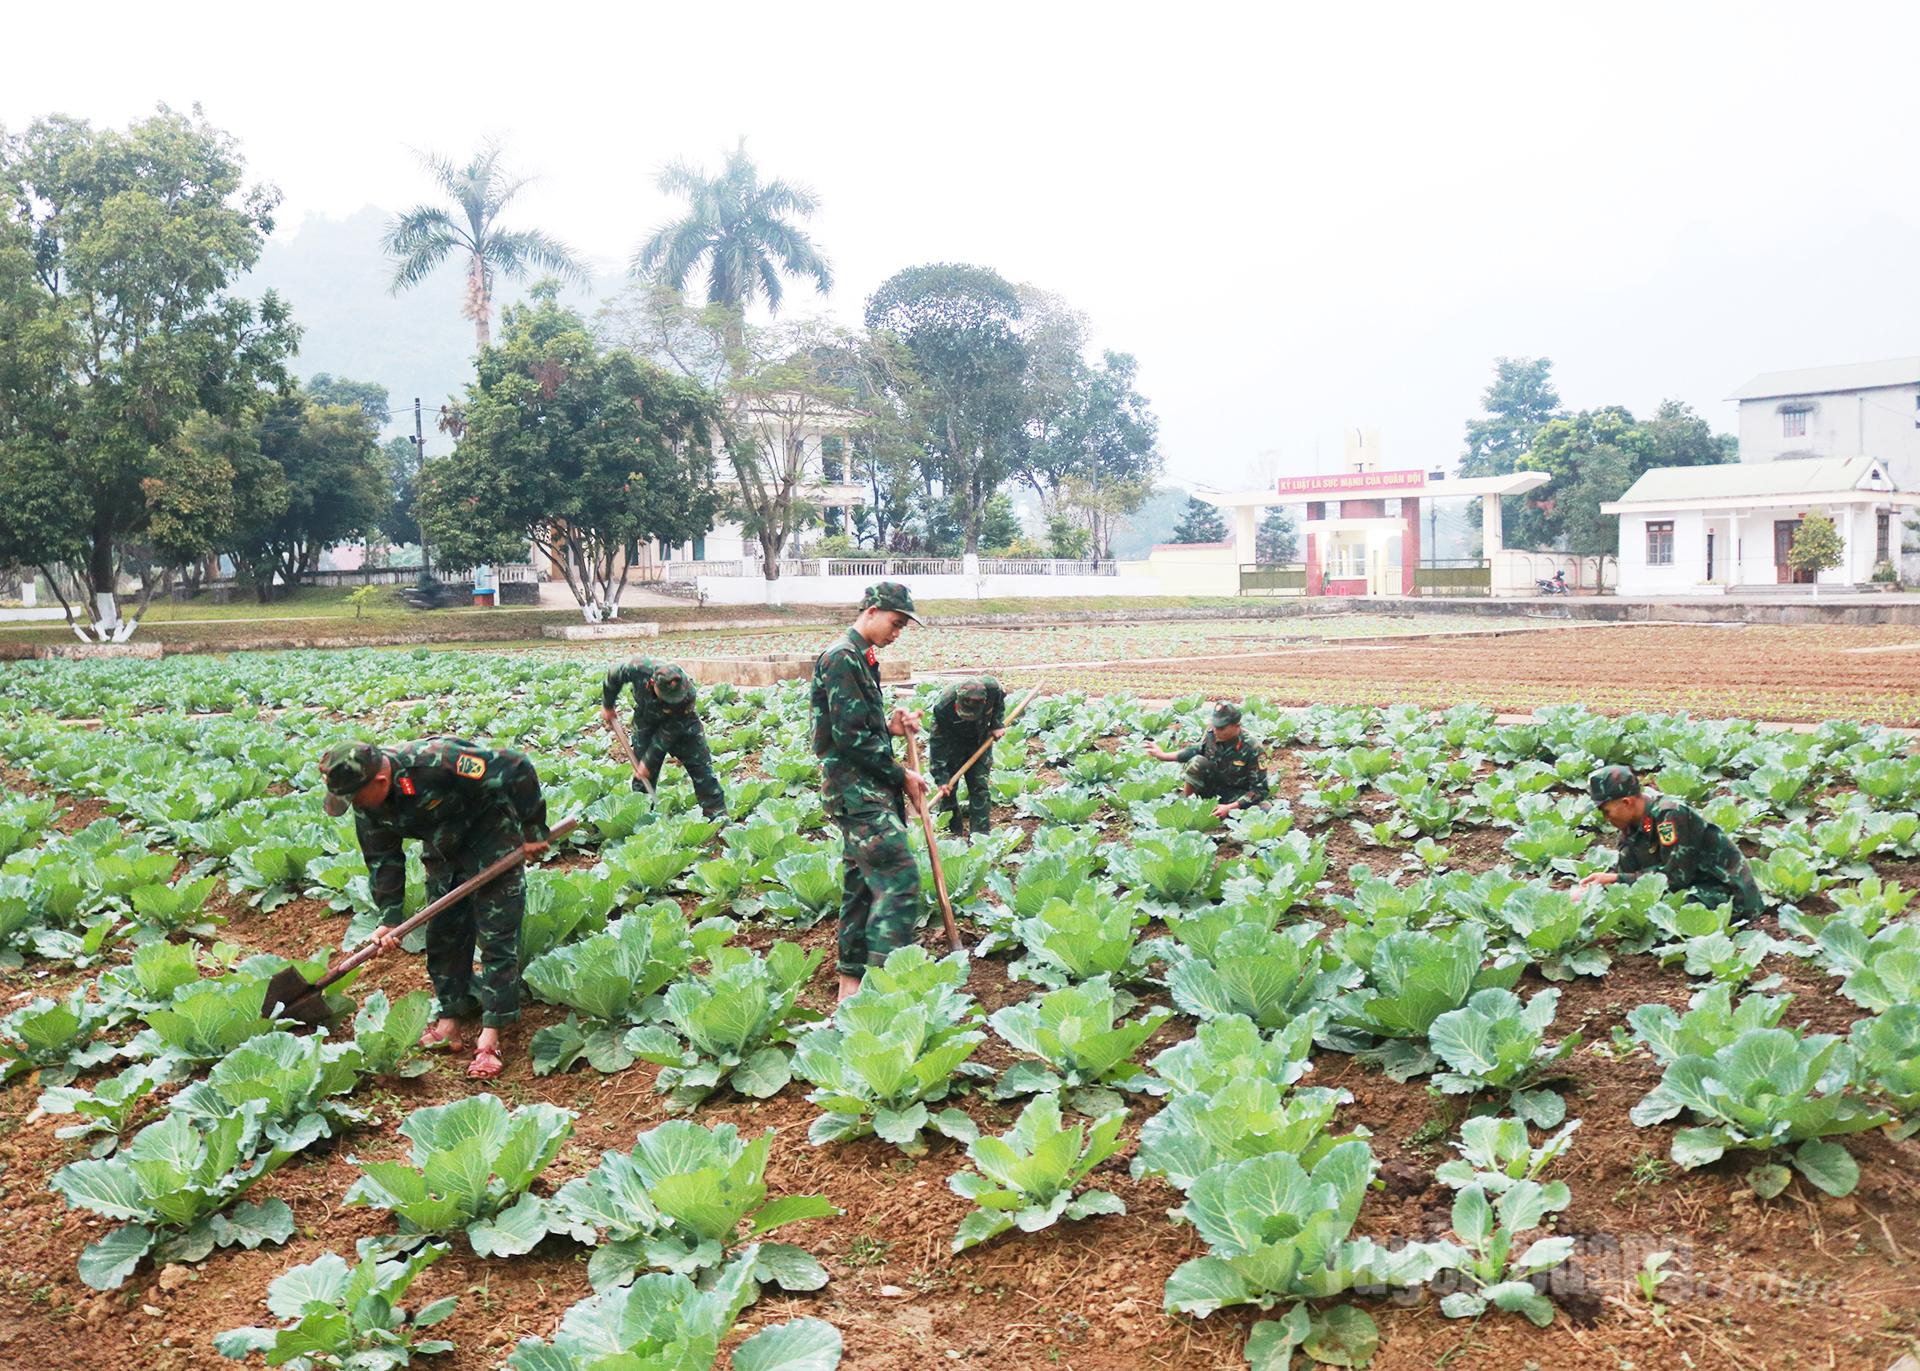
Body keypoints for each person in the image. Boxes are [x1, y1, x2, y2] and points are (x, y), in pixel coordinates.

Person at [322, 738, 551, 1079]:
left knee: (496, 938)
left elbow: (516, 765)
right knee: (444, 936)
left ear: (380, 781)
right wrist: (389, 918)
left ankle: (492, 1035)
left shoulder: (436, 761)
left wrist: (533, 828)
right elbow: (383, 859)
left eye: (354, 796)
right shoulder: (368, 806)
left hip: (492, 838)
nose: (353, 804)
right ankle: (450, 1022)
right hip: (444, 850)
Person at [811, 582, 930, 1002]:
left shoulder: (863, 657)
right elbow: (849, 740)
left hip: (864, 790)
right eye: (895, 623)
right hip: (857, 793)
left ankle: (850, 993)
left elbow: (857, 726)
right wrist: (903, 775)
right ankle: (884, 990)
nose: (897, 632)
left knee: (861, 888)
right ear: (873, 611)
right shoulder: (843, 657)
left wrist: (892, 728)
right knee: (899, 878)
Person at [1576, 765, 1762, 918]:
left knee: (1669, 913)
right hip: (1689, 887)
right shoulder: (1633, 826)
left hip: (1726, 893)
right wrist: (1597, 888)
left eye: (1606, 811)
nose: (1606, 818)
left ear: (1626, 802)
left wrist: (1615, 880)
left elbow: (1676, 877)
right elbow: (1629, 873)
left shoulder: (1670, 815)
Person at [599, 657, 725, 819]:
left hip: (683, 726)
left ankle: (718, 818)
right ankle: (642, 817)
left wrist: (648, 761)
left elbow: (667, 734)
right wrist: (608, 705)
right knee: (642, 776)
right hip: (647, 721)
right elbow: (614, 674)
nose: (670, 701)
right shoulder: (639, 668)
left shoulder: (687, 694)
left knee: (703, 771)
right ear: (652, 684)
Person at [1146, 701, 1270, 818]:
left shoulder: (1253, 748)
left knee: (1264, 809)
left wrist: (1230, 808)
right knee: (1197, 762)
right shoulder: (1211, 734)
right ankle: (1188, 805)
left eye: (1221, 728)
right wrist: (1162, 755)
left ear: (1236, 726)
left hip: (1235, 795)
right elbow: (1196, 750)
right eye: (1215, 726)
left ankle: (1222, 813)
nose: (1216, 731)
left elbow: (1259, 790)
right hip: (1211, 788)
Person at [929, 675, 1006, 840]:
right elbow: (937, 742)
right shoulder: (944, 705)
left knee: (979, 787)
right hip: (952, 745)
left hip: (979, 741)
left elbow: (999, 703)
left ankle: (980, 836)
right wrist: (941, 778)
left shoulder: (993, 689)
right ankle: (951, 834)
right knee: (948, 790)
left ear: (984, 702)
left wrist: (996, 724)